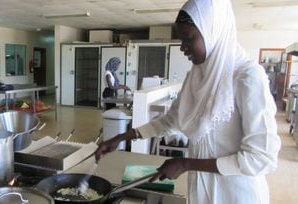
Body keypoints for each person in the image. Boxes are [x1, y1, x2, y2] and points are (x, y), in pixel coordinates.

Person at [94, 0, 281, 203]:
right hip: (201, 190)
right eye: (181, 39)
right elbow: (170, 120)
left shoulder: (248, 78)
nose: (182, 47)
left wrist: (186, 164)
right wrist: (121, 137)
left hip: (236, 194)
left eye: (189, 39)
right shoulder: (196, 75)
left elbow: (262, 158)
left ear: (213, 32)